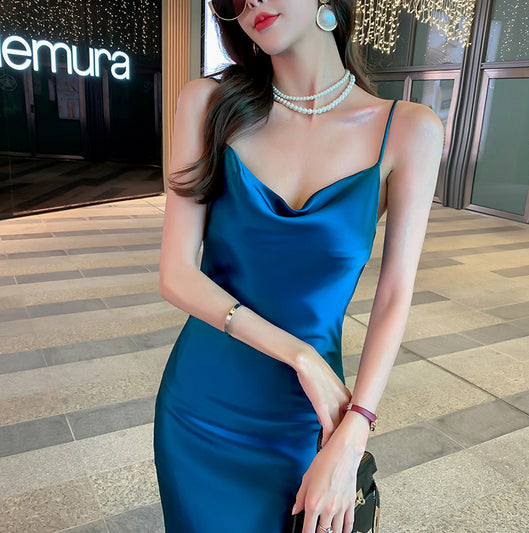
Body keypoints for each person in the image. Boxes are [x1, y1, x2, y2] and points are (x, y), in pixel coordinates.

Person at [153, 1, 444, 532]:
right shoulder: (207, 103)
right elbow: (176, 274)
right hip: (200, 407)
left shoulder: (408, 130)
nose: (251, 3)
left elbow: (394, 294)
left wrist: (356, 428)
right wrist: (302, 356)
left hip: (306, 419)